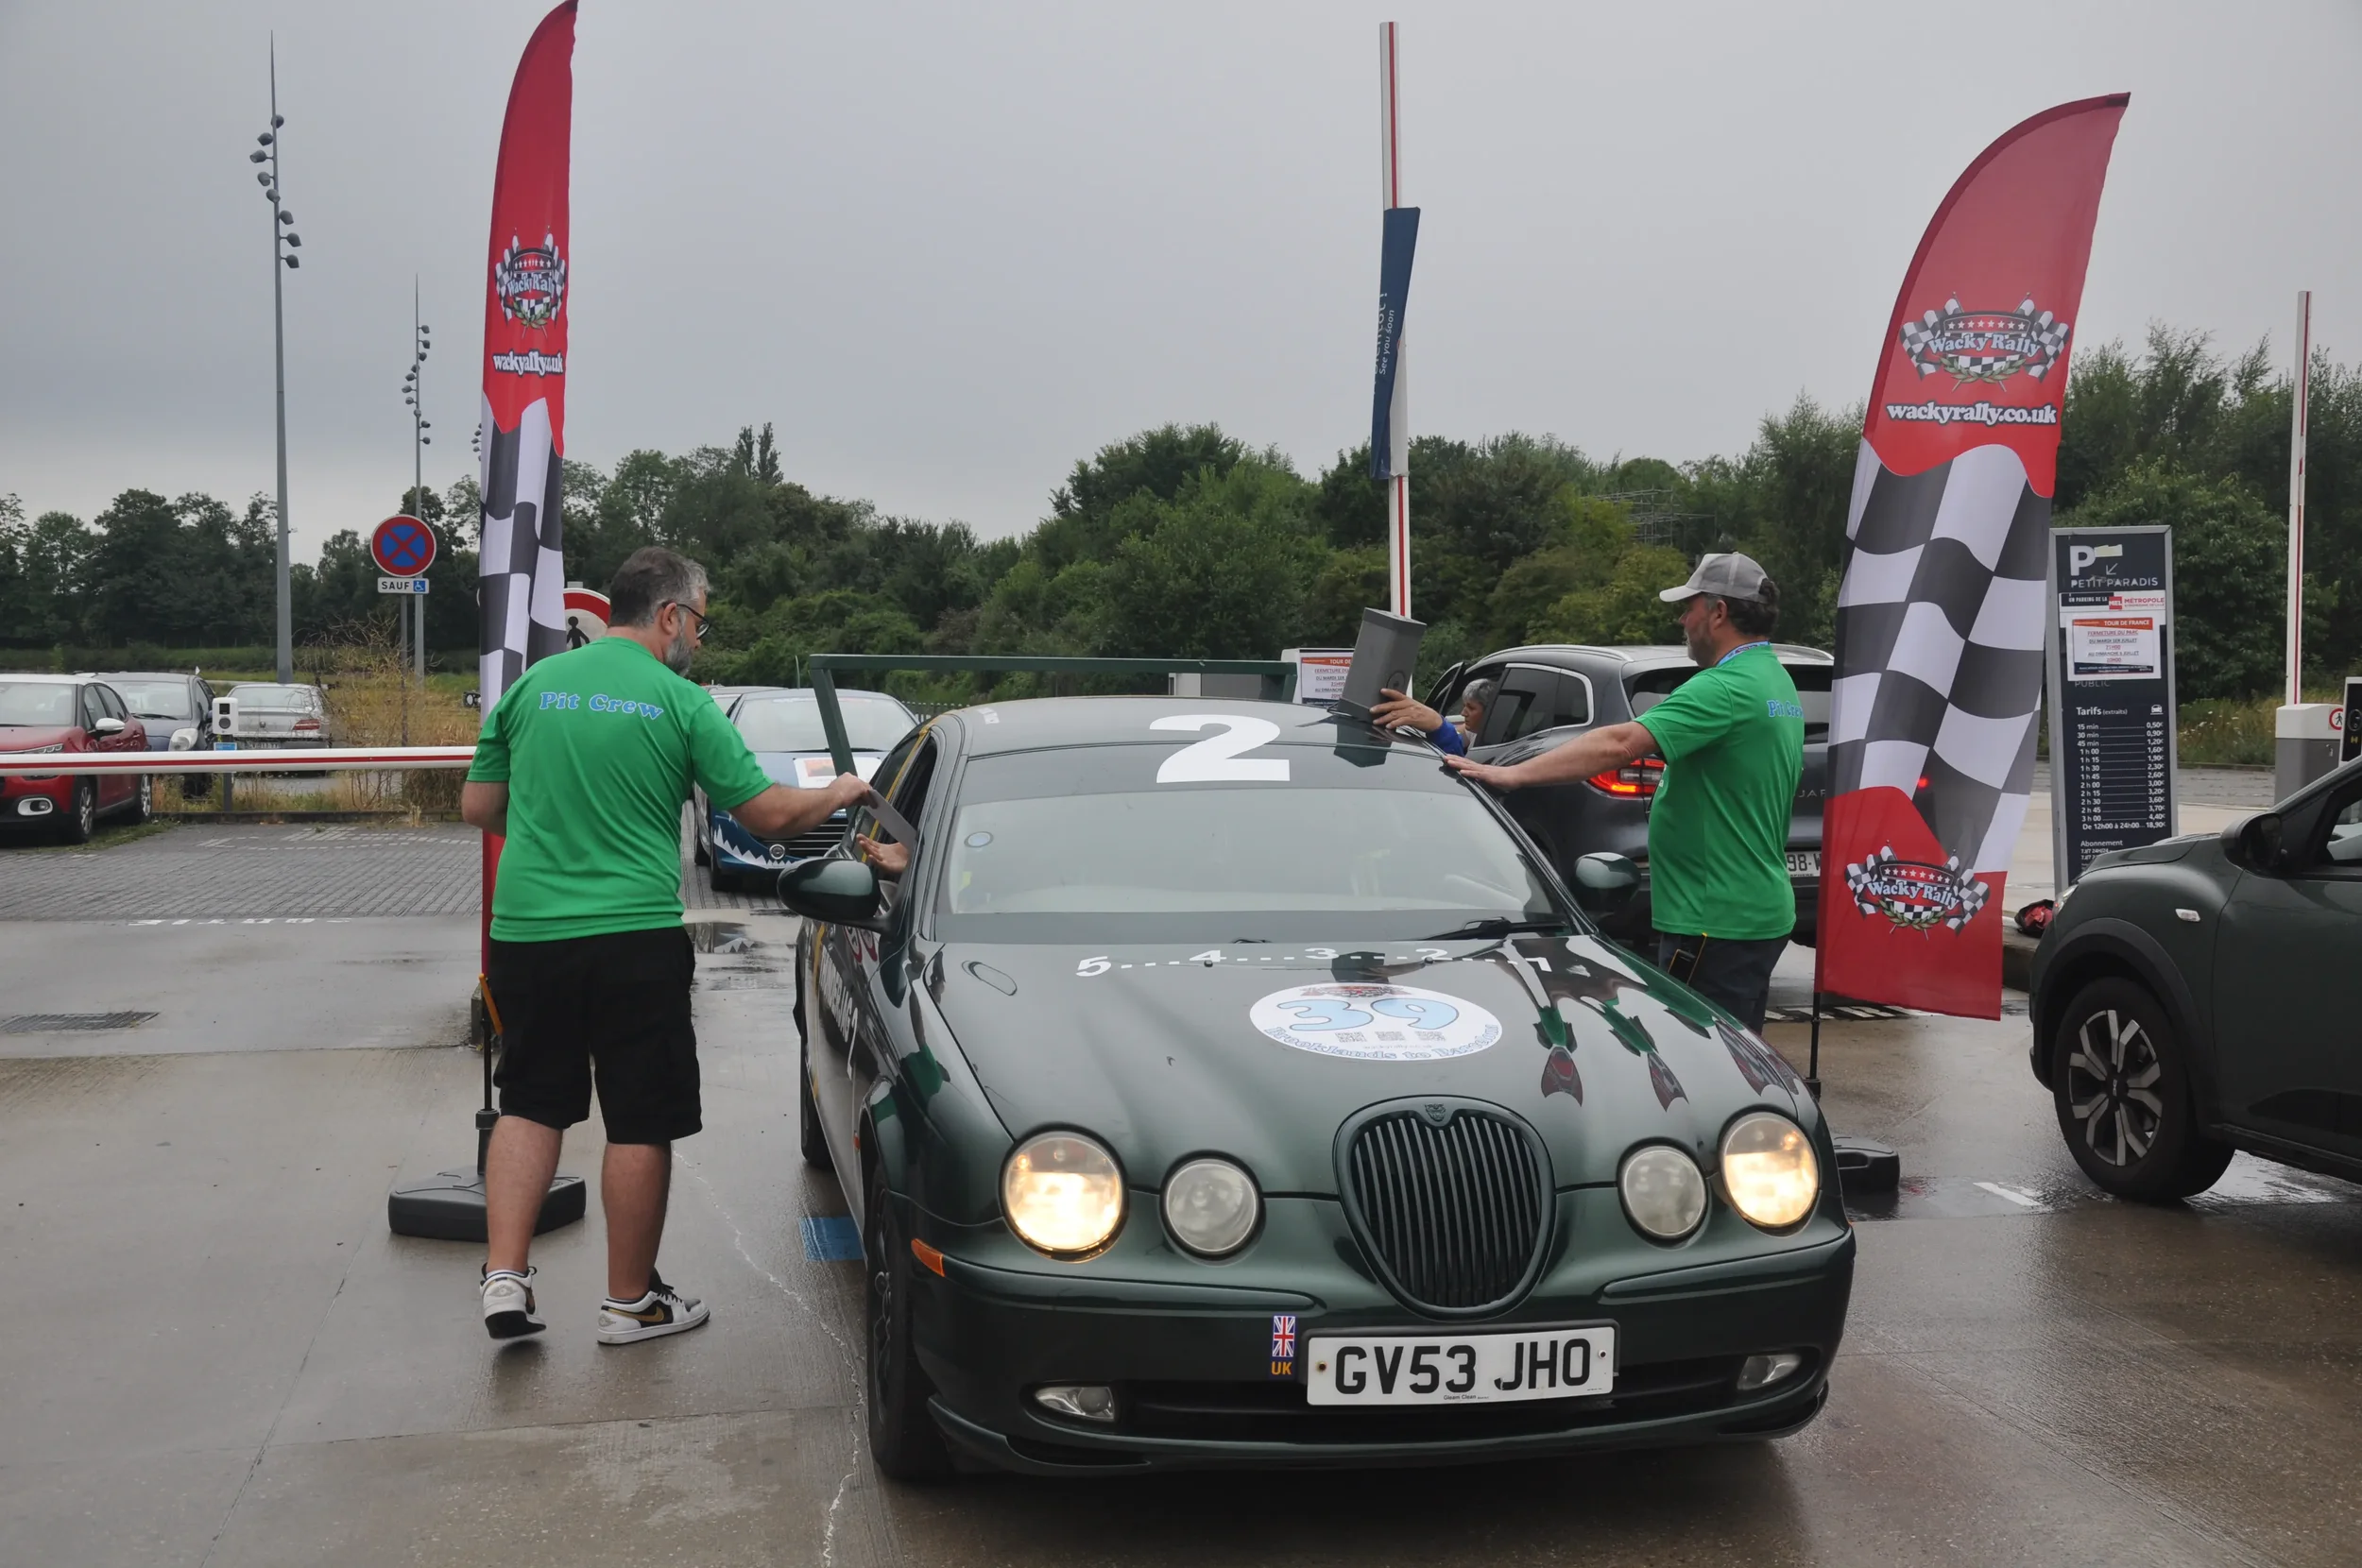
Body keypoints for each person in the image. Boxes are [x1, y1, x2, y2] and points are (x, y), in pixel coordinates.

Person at [460, 546, 872, 1344]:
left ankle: (505, 1277)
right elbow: (767, 816)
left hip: (528, 933)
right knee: (638, 1119)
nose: (700, 638)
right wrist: (840, 792)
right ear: (671, 616)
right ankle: (629, 1303)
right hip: (631, 937)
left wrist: (558, 832)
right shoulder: (680, 703)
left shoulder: (531, 689)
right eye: (701, 620)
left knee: (531, 1102)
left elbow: (480, 804)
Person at [1444, 554, 1804, 1031]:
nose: (1682, 618)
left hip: (1713, 922)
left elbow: (1621, 742)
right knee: (1742, 1056)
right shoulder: (1775, 679)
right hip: (1755, 910)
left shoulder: (1724, 688)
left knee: (1704, 1061)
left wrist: (1512, 775)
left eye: (1690, 606)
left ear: (1718, 612)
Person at [1371, 676, 1494, 756]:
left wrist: (1440, 728)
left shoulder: (1497, 744)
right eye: (1464, 706)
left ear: (1489, 711)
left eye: (1471, 708)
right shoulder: (1474, 731)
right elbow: (1457, 734)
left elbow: (1461, 769)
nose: (1463, 713)